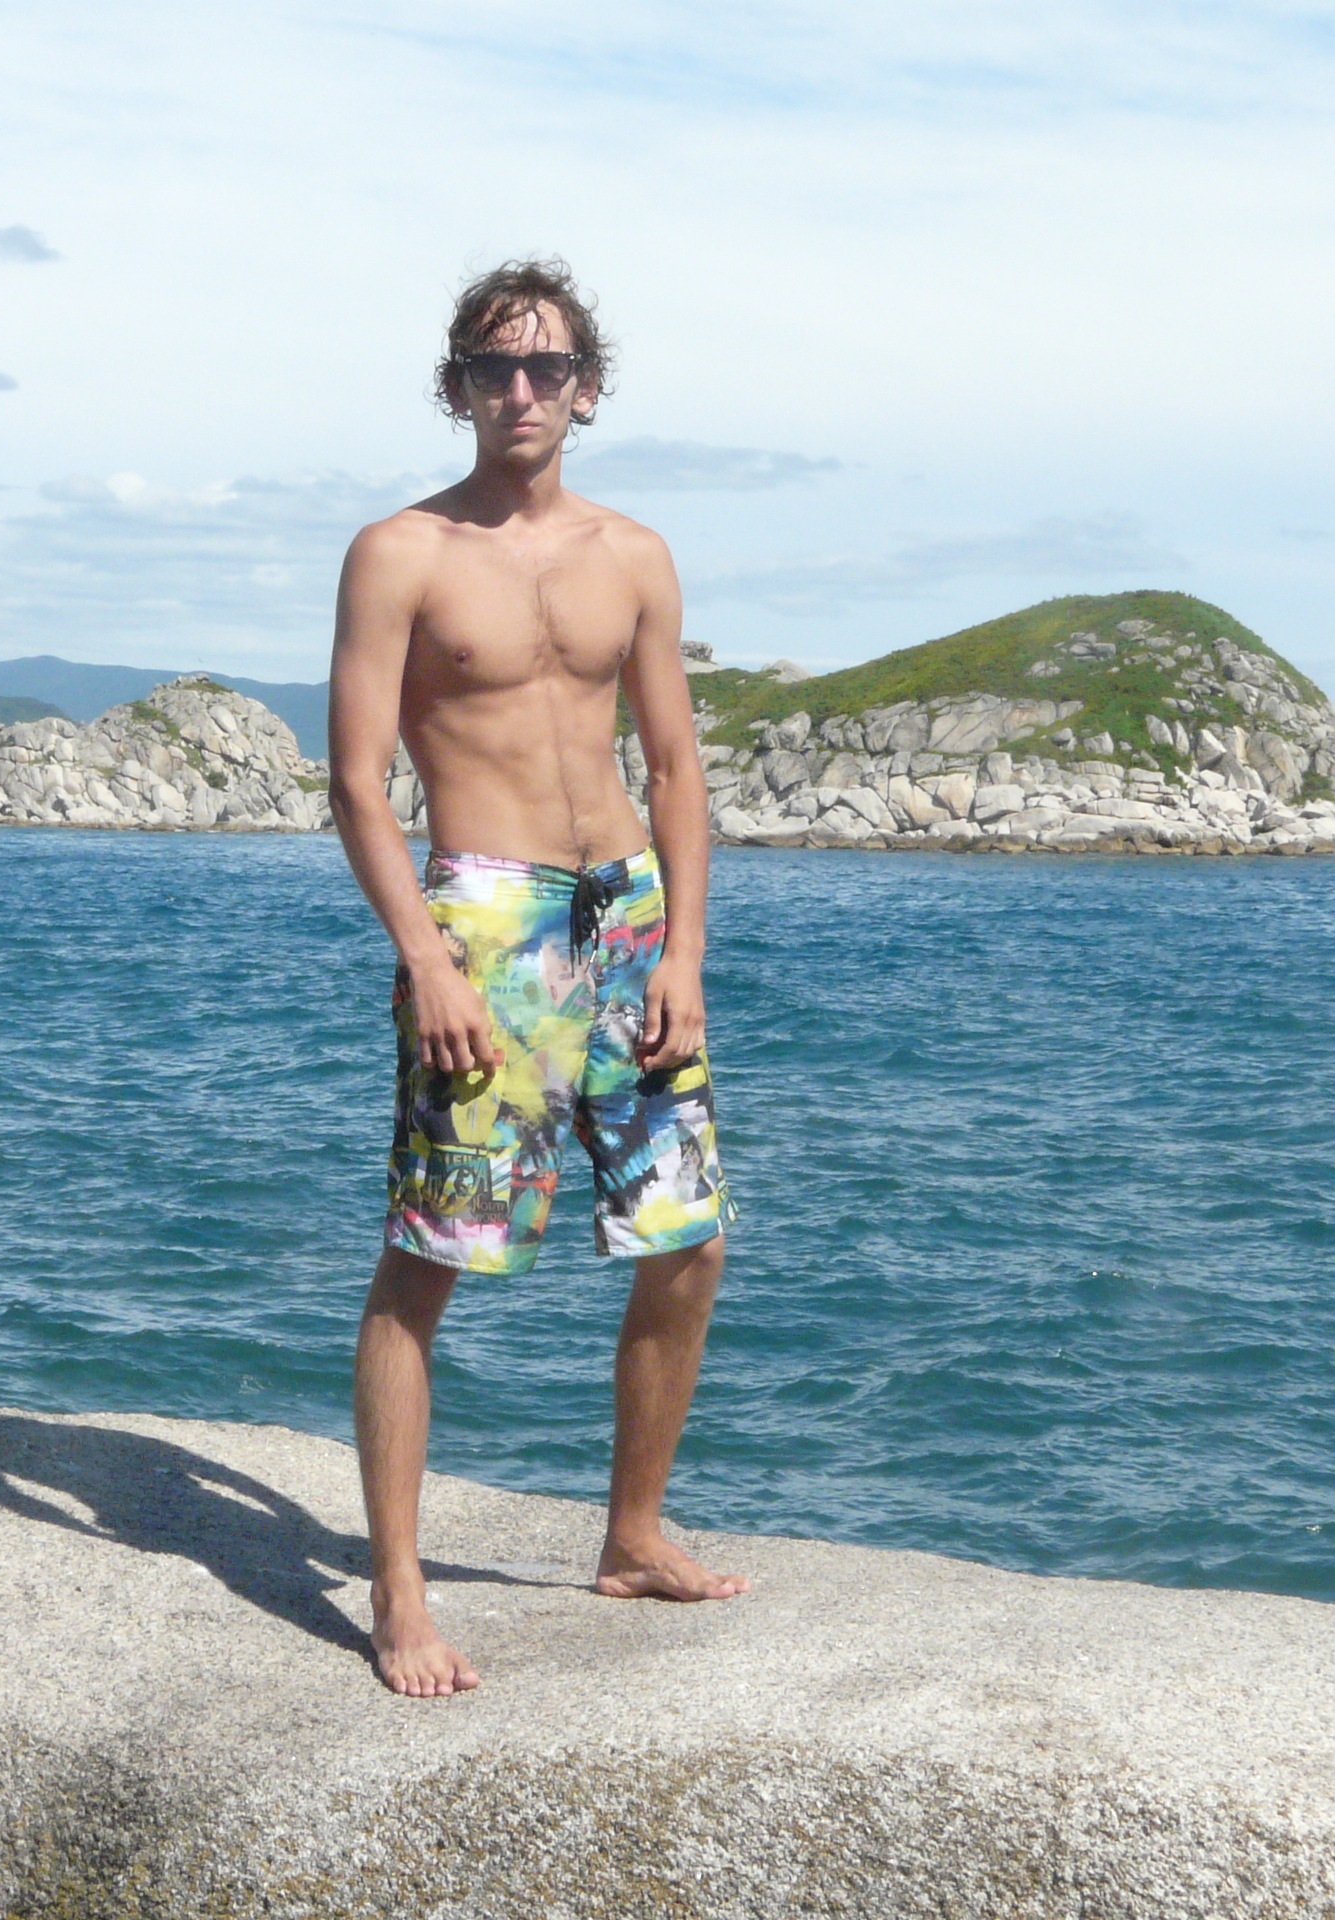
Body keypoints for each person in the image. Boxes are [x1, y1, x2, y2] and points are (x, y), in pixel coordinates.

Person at [326, 259, 745, 1699]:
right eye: (495, 368)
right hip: (488, 924)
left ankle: (632, 1533)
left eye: (548, 368)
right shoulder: (401, 552)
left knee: (687, 1238)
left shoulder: (635, 555)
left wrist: (684, 950)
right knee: (430, 1255)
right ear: (457, 387)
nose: (522, 391)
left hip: (625, 911)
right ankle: (398, 1590)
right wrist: (427, 958)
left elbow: (675, 767)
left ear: (587, 389)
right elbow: (357, 782)